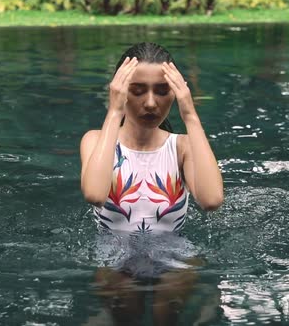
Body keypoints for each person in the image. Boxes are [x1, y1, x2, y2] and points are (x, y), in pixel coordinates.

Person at [80, 42, 224, 325]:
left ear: (175, 93)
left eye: (162, 91)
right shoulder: (96, 140)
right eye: (136, 90)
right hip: (112, 254)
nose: (150, 102)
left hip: (173, 255)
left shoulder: (182, 147)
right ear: (121, 91)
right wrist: (113, 112)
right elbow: (95, 194)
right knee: (126, 309)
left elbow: (211, 200)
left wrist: (190, 115)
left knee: (165, 308)